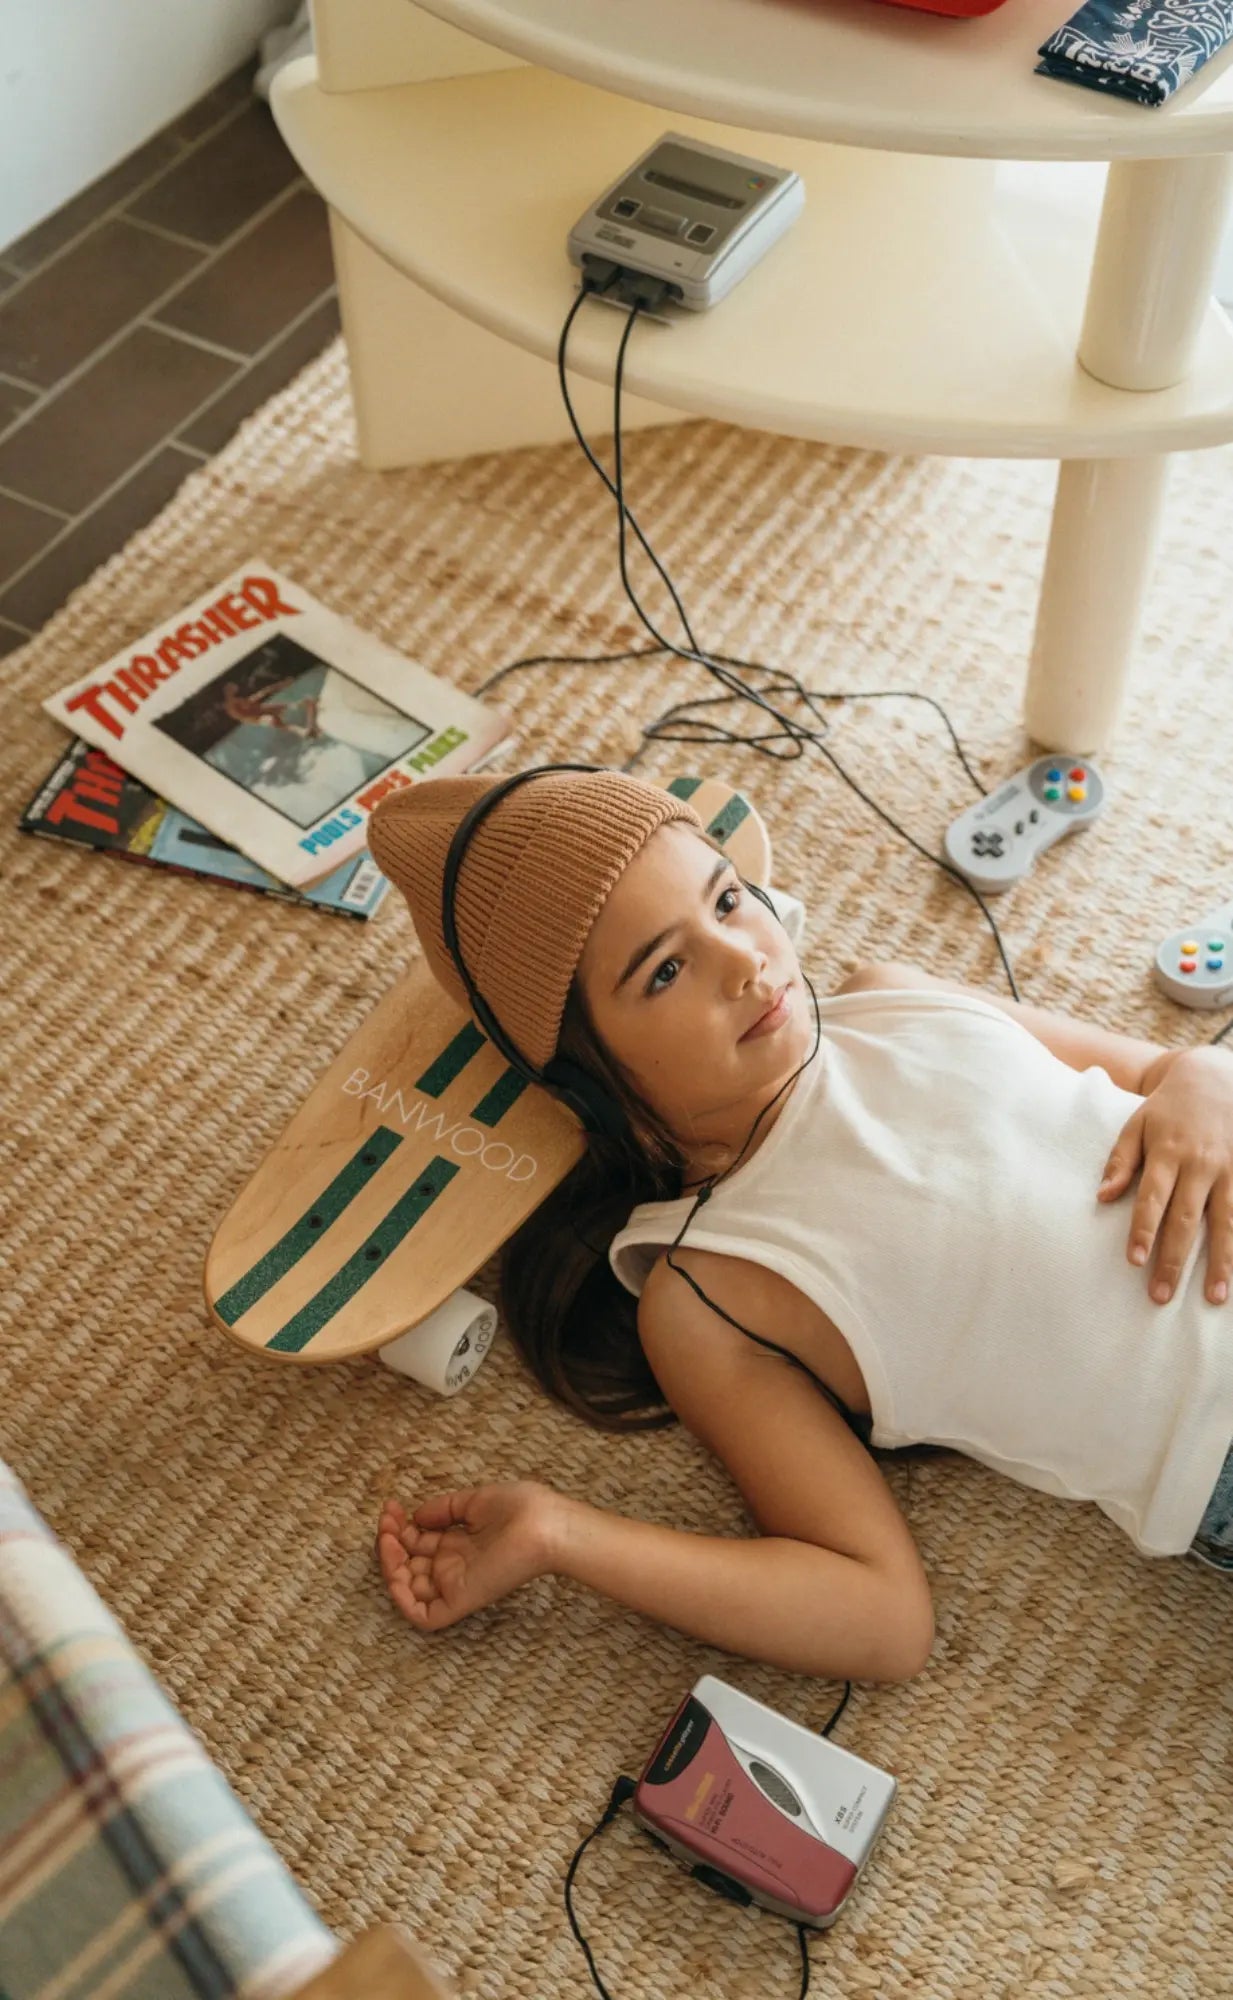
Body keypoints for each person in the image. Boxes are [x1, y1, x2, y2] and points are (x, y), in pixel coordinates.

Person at [366, 768, 1233, 1685]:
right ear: (584, 1076)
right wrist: (562, 1534)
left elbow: (1167, 1073)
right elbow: (882, 1620)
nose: (743, 960)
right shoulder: (707, 1288)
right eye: (665, 970)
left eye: (729, 901)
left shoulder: (892, 994)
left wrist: (1202, 1082)